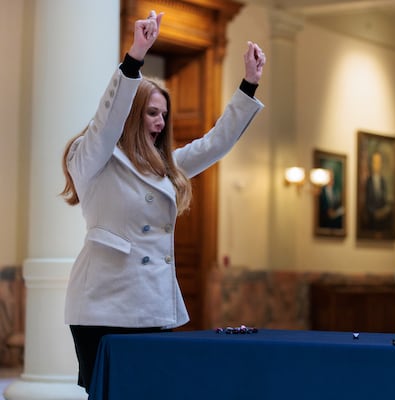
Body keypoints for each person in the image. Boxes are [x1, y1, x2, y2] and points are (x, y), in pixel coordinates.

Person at [60, 10, 266, 392]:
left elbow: (214, 144)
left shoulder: (164, 166)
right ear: (133, 113)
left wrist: (248, 86)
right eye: (152, 112)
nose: (159, 122)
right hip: (102, 307)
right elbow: (106, 123)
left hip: (152, 305)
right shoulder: (91, 156)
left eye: (163, 115)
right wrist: (135, 57)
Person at [364, 151, 392, 230]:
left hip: (383, 222)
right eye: (375, 162)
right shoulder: (368, 182)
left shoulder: (383, 182)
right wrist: (375, 213)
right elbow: (367, 203)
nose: (377, 165)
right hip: (371, 221)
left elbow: (385, 201)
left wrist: (384, 211)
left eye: (379, 162)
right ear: (371, 164)